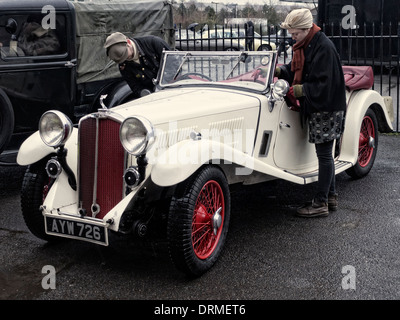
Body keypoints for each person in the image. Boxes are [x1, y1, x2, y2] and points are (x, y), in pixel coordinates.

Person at [275, 8, 346, 218]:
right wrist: (279, 70)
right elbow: (300, 70)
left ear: (306, 29)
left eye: (295, 33)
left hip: (327, 107)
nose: (292, 36)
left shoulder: (323, 47)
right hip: (324, 106)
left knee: (324, 155)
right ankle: (330, 197)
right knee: (326, 155)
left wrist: (301, 90)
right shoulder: (308, 44)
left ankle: (320, 203)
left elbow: (325, 83)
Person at [104, 32, 171, 98]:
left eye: (126, 55)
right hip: (153, 97)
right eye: (123, 59)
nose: (126, 59)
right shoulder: (123, 65)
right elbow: (135, 86)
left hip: (172, 89)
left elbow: (174, 64)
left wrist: (164, 85)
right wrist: (144, 93)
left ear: (128, 43)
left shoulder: (153, 43)